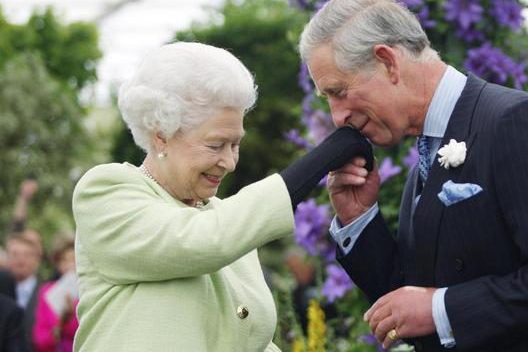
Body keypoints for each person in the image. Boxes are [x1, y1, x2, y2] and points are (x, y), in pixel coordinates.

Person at [298, 0, 528, 352]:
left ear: (387, 62)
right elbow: (408, 307)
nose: (337, 116)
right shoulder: (425, 159)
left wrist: (442, 309)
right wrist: (359, 219)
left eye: (338, 91)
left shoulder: (513, 121)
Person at [72, 42, 372, 352]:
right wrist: (320, 160)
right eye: (216, 146)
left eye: (235, 145)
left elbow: (251, 342)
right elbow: (201, 240)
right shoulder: (106, 192)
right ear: (161, 135)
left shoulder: (229, 221)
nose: (229, 162)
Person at [33, 236, 78, 352]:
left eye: (73, 258)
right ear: (57, 264)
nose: (69, 265)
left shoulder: (88, 290)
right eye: (64, 260)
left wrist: (71, 315)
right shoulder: (47, 292)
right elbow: (40, 339)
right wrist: (61, 323)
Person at [5, 234, 41, 351]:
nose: (21, 259)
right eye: (15, 254)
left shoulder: (48, 292)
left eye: (27, 255)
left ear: (36, 259)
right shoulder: (3, 292)